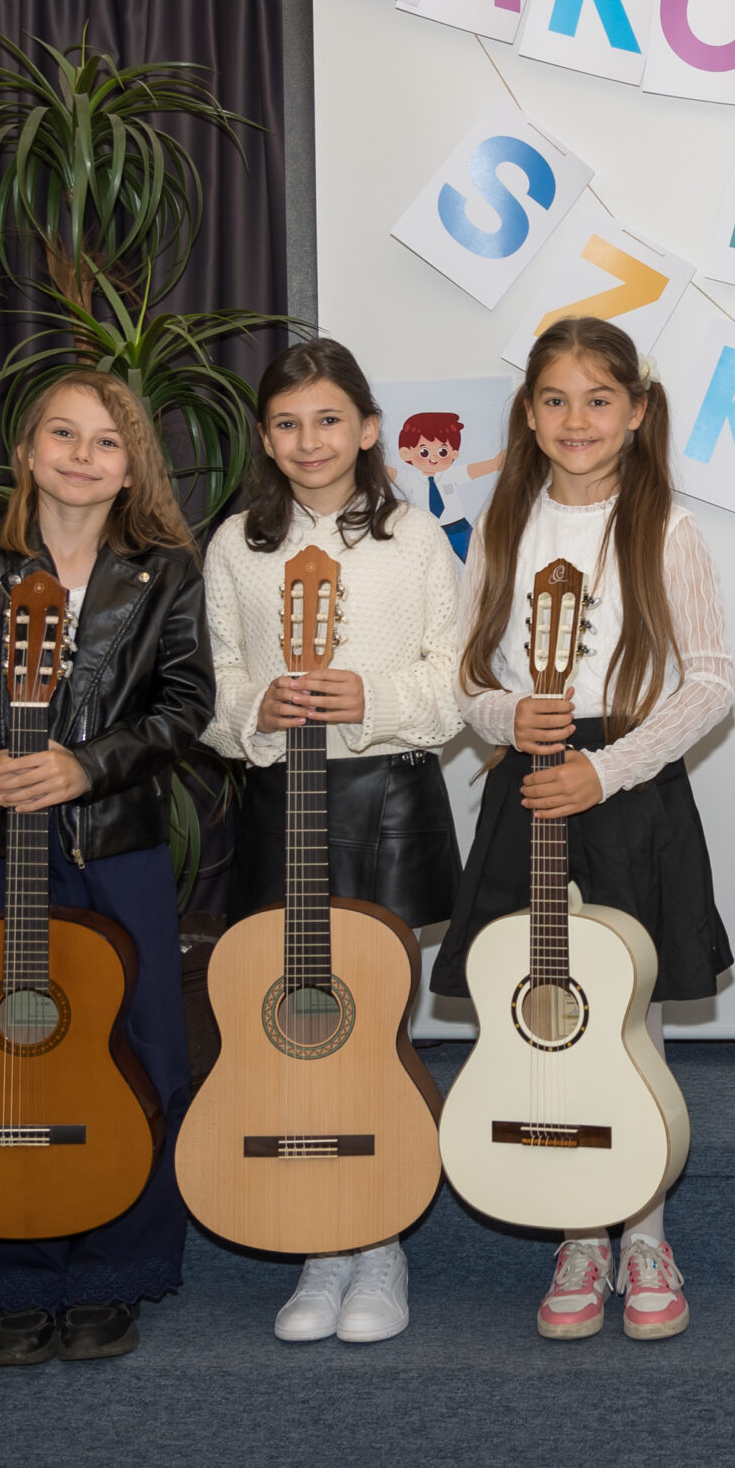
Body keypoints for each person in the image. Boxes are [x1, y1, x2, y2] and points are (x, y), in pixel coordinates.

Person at [0, 368, 213, 1367]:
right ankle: (13, 1276)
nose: (82, 455)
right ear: (26, 452)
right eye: (62, 435)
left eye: (107, 441)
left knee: (143, 1055)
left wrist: (87, 764)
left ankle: (117, 1270)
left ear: (132, 469)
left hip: (120, 850)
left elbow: (186, 706)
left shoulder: (166, 574)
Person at [439, 317, 734, 1343]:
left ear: (637, 412)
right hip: (527, 780)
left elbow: (710, 682)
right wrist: (503, 716)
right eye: (556, 399)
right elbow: (463, 675)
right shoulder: (501, 524)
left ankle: (643, 1229)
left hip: (626, 783)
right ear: (529, 414)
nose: (578, 419)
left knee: (625, 1008)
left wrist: (605, 770)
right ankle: (579, 1233)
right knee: (541, 998)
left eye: (600, 399)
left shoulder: (667, 530)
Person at [201, 339, 463, 1346]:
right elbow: (213, 684)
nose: (308, 441)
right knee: (297, 1016)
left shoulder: (417, 538)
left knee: (374, 1023)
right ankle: (322, 1244)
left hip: (385, 799)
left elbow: (454, 685)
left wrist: (372, 696)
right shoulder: (235, 545)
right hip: (283, 802)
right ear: (265, 438)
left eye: (327, 419)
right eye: (285, 423)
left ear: (367, 428)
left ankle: (380, 1240)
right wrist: (253, 710)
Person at [391, 410, 501, 562]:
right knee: (423, 562)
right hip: (426, 528)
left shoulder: (451, 474)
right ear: (406, 453)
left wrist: (494, 463)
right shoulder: (410, 479)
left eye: (443, 451)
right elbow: (389, 472)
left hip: (457, 526)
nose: (433, 457)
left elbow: (471, 470)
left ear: (454, 454)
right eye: (424, 452)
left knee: (477, 560)